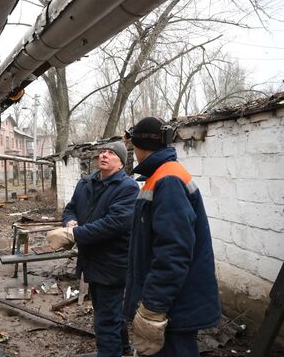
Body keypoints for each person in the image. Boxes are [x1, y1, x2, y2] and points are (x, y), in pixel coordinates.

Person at [123, 117, 221, 356]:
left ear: (138, 146)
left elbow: (173, 251)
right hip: (173, 305)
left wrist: (153, 310)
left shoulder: (167, 180)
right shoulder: (164, 175)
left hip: (172, 310)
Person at [47, 141, 139, 357]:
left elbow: (114, 224)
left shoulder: (128, 188)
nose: (104, 155)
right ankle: (124, 350)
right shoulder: (86, 183)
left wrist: (74, 235)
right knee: (109, 313)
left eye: (111, 153)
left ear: (121, 163)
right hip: (91, 261)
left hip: (112, 264)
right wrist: (70, 222)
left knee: (105, 322)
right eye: (103, 151)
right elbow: (70, 208)